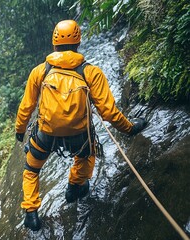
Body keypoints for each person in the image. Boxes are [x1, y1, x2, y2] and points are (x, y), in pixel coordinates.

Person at [14, 20, 147, 231]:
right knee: (87, 155)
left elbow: (26, 107)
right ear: (78, 42)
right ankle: (75, 186)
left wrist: (20, 130)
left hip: (45, 134)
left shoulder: (40, 71)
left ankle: (31, 212)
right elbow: (109, 112)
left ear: (54, 43)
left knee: (31, 169)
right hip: (79, 135)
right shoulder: (91, 73)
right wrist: (129, 128)